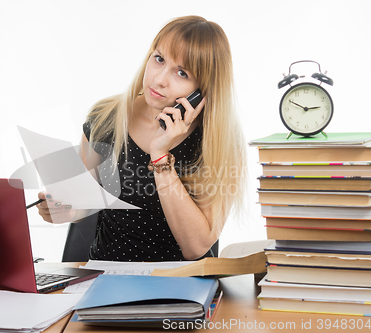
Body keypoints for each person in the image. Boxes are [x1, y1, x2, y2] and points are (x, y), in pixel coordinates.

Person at [36, 15, 247, 261]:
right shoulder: (106, 117)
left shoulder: (215, 143)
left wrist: (160, 155)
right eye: (159, 59)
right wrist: (61, 209)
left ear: (203, 90)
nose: (160, 80)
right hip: (105, 278)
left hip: (179, 286)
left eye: (181, 73)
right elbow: (84, 201)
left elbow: (196, 247)